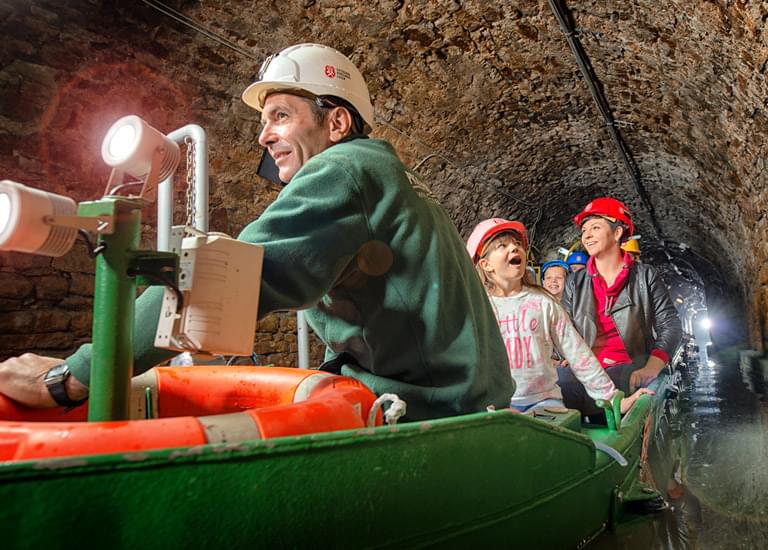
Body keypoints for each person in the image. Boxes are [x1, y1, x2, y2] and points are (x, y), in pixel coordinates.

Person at [0, 43, 515, 421]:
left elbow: (231, 277)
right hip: (475, 403)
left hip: (435, 413)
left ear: (335, 124)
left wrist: (71, 377)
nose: (264, 136)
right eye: (264, 122)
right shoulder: (396, 188)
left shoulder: (349, 169)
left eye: (281, 116)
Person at [466, 218, 651, 413]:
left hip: (543, 402)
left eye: (517, 244)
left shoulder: (543, 303)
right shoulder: (478, 307)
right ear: (486, 264)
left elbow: (578, 354)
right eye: (502, 245)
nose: (514, 248)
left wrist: (613, 399)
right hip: (497, 406)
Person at [559, 197, 682, 415]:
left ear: (617, 234)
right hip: (588, 367)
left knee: (620, 380)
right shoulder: (575, 282)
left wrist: (652, 367)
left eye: (595, 228)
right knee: (560, 382)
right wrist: (567, 356)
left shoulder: (645, 277)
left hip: (629, 363)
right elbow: (564, 329)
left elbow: (670, 324)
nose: (586, 235)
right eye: (584, 230)